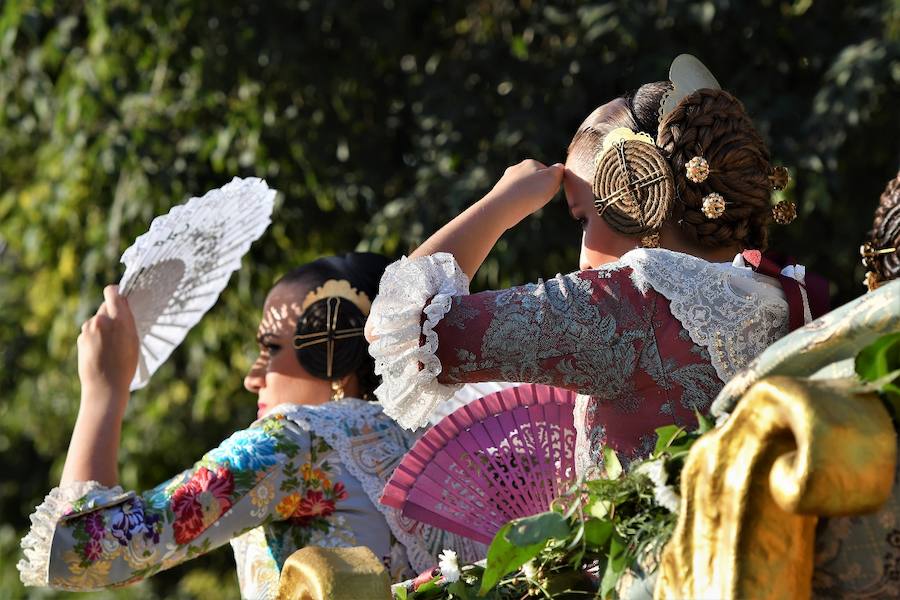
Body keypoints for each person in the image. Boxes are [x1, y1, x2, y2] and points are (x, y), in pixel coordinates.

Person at [368, 56, 821, 475]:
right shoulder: (784, 295)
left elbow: (403, 329)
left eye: (583, 218)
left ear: (636, 197)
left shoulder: (632, 298)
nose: (582, 252)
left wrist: (501, 203)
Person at [18, 253, 480, 598]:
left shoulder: (296, 442)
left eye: (272, 348)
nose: (252, 376)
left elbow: (89, 552)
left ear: (335, 355)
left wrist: (104, 391)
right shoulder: (453, 447)